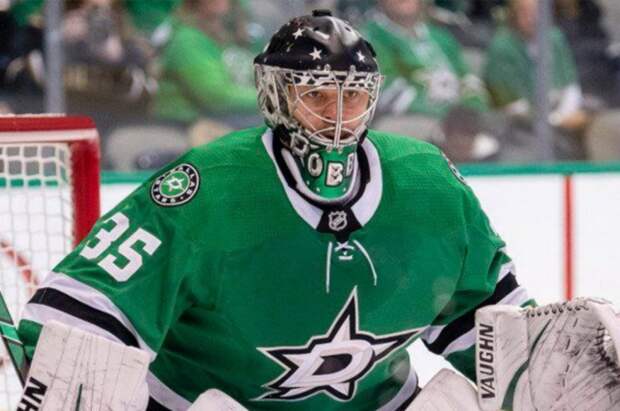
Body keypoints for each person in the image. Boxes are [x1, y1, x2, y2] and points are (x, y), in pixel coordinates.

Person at [16, 10, 620, 411]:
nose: (337, 116)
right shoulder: (209, 188)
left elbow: (489, 330)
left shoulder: (428, 183)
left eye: (353, 97)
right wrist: (66, 380)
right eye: (317, 96)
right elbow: (82, 318)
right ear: (275, 96)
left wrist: (552, 371)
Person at [363, 0, 500, 161]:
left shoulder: (441, 37)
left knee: (502, 130)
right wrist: (447, 114)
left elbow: (469, 81)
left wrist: (469, 110)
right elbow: (386, 91)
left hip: (459, 120)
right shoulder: (369, 38)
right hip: (410, 120)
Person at [483, 0, 589, 160]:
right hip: (516, 130)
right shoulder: (501, 46)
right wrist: (555, 121)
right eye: (525, 13)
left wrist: (566, 114)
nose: (532, 18)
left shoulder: (554, 38)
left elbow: (570, 85)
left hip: (557, 120)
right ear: (514, 15)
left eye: (537, 13)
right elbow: (511, 106)